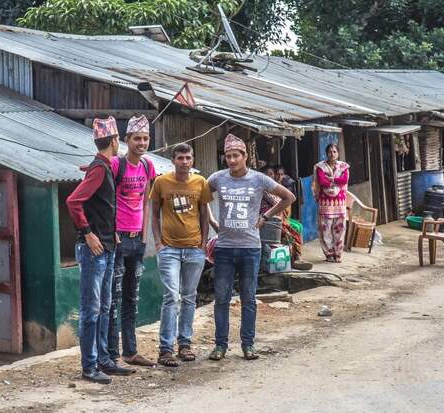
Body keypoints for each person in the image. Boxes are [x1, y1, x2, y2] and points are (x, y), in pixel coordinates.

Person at [207, 134, 295, 361]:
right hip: (225, 248)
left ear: (245, 156)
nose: (232, 160)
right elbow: (201, 197)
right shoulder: (217, 178)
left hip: (250, 248)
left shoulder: (259, 180)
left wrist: (265, 217)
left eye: (236, 155)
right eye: (228, 156)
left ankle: (248, 345)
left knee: (248, 298)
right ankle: (220, 346)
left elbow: (288, 197)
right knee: (222, 299)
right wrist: (211, 220)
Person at [66, 116, 122, 384]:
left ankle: (103, 360)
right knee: (91, 309)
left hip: (108, 246)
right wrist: (87, 234)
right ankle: (89, 366)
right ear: (114, 141)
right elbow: (73, 202)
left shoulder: (104, 166)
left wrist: (113, 235)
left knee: (104, 306)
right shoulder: (99, 168)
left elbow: (103, 207)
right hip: (94, 250)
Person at [150, 143, 212, 367]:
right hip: (169, 250)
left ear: (193, 160)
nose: (184, 162)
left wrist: (203, 243)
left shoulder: (200, 183)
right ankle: (165, 349)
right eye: (180, 158)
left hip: (194, 249)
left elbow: (204, 214)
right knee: (171, 297)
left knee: (189, 297)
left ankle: (184, 345)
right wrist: (158, 243)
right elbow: (154, 214)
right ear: (173, 160)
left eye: (188, 158)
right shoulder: (161, 182)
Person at [107, 115, 156, 368]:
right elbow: (107, 200)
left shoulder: (148, 167)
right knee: (113, 299)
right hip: (119, 238)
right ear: (127, 140)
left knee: (131, 299)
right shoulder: (117, 165)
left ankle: (131, 351)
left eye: (145, 138)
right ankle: (112, 355)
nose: (142, 143)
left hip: (138, 240)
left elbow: (147, 201)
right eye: (137, 138)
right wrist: (113, 231)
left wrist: (145, 233)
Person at [313, 143, 350, 263]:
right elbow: (322, 182)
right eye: (330, 152)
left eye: (334, 152)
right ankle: (329, 254)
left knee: (339, 230)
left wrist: (332, 179)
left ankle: (337, 254)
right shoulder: (320, 167)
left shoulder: (344, 167)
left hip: (339, 205)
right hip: (326, 205)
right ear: (326, 153)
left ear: (338, 153)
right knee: (325, 230)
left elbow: (344, 180)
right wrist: (335, 182)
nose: (332, 154)